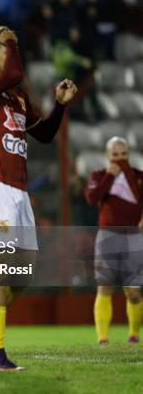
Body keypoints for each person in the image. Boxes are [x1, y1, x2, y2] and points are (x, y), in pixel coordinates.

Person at [0, 26, 77, 371]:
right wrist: (12, 42)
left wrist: (59, 106)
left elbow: (45, 134)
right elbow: (15, 72)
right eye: (5, 53)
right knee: (2, 271)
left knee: (22, 276)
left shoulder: (18, 96)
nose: (11, 60)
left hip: (18, 192)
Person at [85, 137, 142, 345]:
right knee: (105, 287)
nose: (120, 159)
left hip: (134, 237)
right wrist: (109, 176)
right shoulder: (99, 175)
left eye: (123, 155)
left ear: (129, 155)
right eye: (115, 155)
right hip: (107, 236)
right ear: (107, 156)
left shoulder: (137, 176)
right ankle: (102, 338)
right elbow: (91, 198)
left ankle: (134, 335)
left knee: (133, 291)